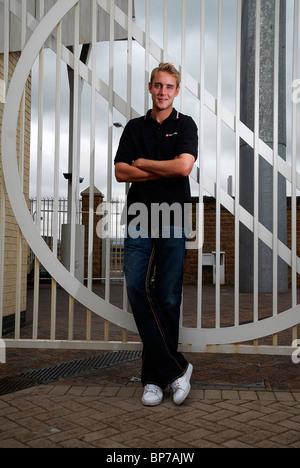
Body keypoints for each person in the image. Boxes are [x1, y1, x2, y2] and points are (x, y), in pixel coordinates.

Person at [114, 63, 198, 406]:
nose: (163, 92)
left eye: (170, 87)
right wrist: (161, 169)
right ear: (150, 88)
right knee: (136, 285)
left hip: (175, 216)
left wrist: (144, 163)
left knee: (167, 296)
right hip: (138, 216)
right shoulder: (135, 127)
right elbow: (121, 171)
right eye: (158, 86)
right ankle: (175, 371)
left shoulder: (186, 124)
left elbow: (183, 167)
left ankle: (152, 378)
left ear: (176, 91)